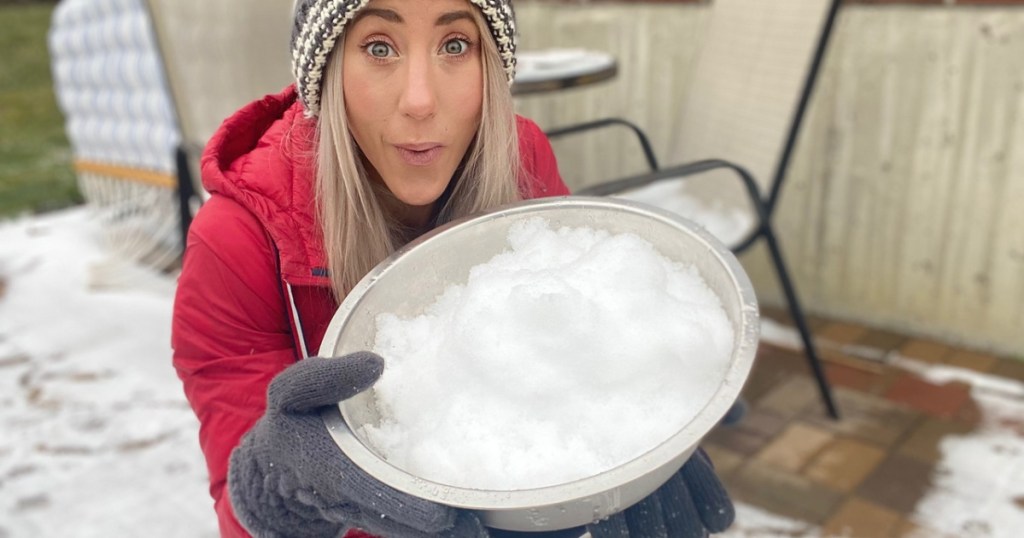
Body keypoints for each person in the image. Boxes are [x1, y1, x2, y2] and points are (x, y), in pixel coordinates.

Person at [171, 0, 735, 537]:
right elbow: (238, 509)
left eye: (456, 43)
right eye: (379, 47)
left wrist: (640, 422)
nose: (420, 100)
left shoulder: (523, 163)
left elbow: (574, 358)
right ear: (328, 69)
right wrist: (275, 486)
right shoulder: (237, 243)